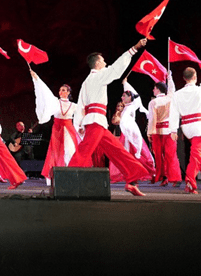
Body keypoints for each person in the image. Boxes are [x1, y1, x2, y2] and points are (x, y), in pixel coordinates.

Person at [68, 39, 150, 196]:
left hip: (95, 122)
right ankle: (67, 180)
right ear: (98, 63)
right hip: (96, 121)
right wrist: (134, 48)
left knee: (118, 150)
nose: (105, 62)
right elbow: (116, 69)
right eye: (103, 60)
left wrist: (79, 124)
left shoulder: (86, 82)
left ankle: (132, 180)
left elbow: (80, 105)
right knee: (84, 151)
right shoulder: (99, 76)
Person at [31, 71, 79, 185]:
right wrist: (36, 78)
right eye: (60, 90)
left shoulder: (74, 106)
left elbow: (81, 116)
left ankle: (70, 174)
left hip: (69, 130)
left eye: (63, 90)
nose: (61, 92)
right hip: (57, 129)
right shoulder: (55, 102)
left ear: (68, 92)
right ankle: (54, 175)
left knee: (70, 151)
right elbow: (45, 93)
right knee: (55, 152)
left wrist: (81, 127)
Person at [108, 80, 156, 183]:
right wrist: (125, 84)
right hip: (125, 134)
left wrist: (126, 84)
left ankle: (136, 173)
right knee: (125, 155)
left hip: (131, 134)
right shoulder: (126, 108)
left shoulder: (131, 107)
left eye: (124, 96)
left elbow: (137, 99)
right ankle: (129, 173)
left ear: (130, 97)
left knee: (133, 154)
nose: (122, 98)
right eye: (122, 96)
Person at [171, 67, 201, 194]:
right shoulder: (199, 91)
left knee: (197, 154)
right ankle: (190, 181)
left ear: (184, 78)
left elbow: (173, 113)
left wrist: (173, 130)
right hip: (198, 125)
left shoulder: (177, 94)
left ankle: (190, 181)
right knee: (196, 155)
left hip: (186, 126)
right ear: (195, 77)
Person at [147, 77, 181, 186]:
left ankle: (163, 177)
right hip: (169, 130)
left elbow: (152, 119)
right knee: (171, 155)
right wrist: (170, 77)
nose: (153, 90)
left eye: (154, 88)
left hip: (157, 131)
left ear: (158, 89)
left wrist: (149, 132)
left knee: (158, 156)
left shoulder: (153, 102)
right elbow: (172, 89)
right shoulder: (170, 98)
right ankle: (175, 178)